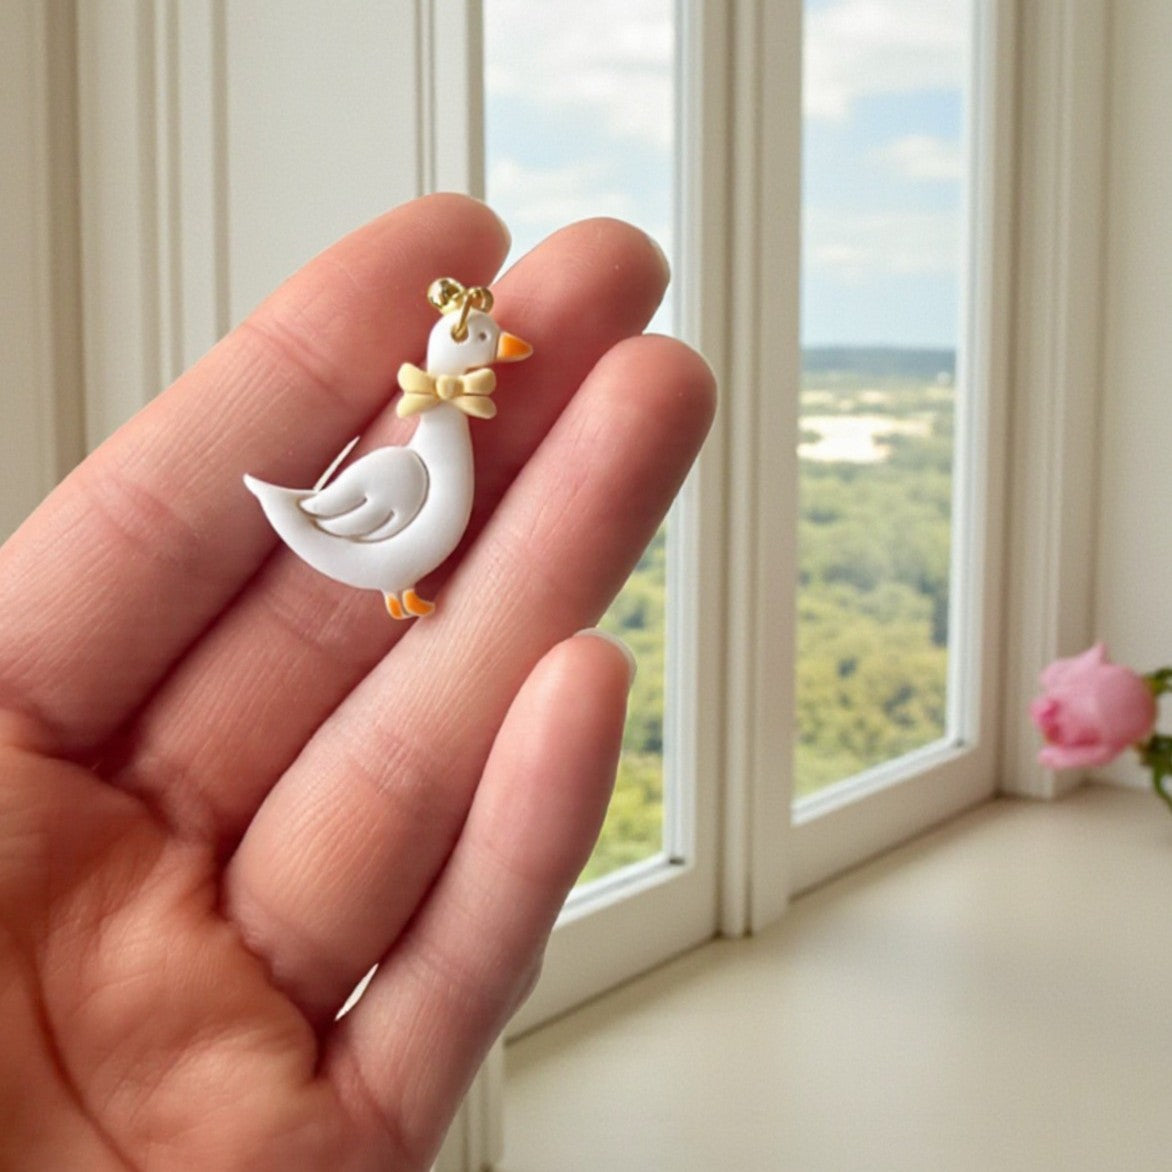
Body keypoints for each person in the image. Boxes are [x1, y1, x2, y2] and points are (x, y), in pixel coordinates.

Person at [0, 194, 714, 1170]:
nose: (494, 360)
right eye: (480, 350)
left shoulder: (438, 447)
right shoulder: (408, 470)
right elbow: (348, 522)